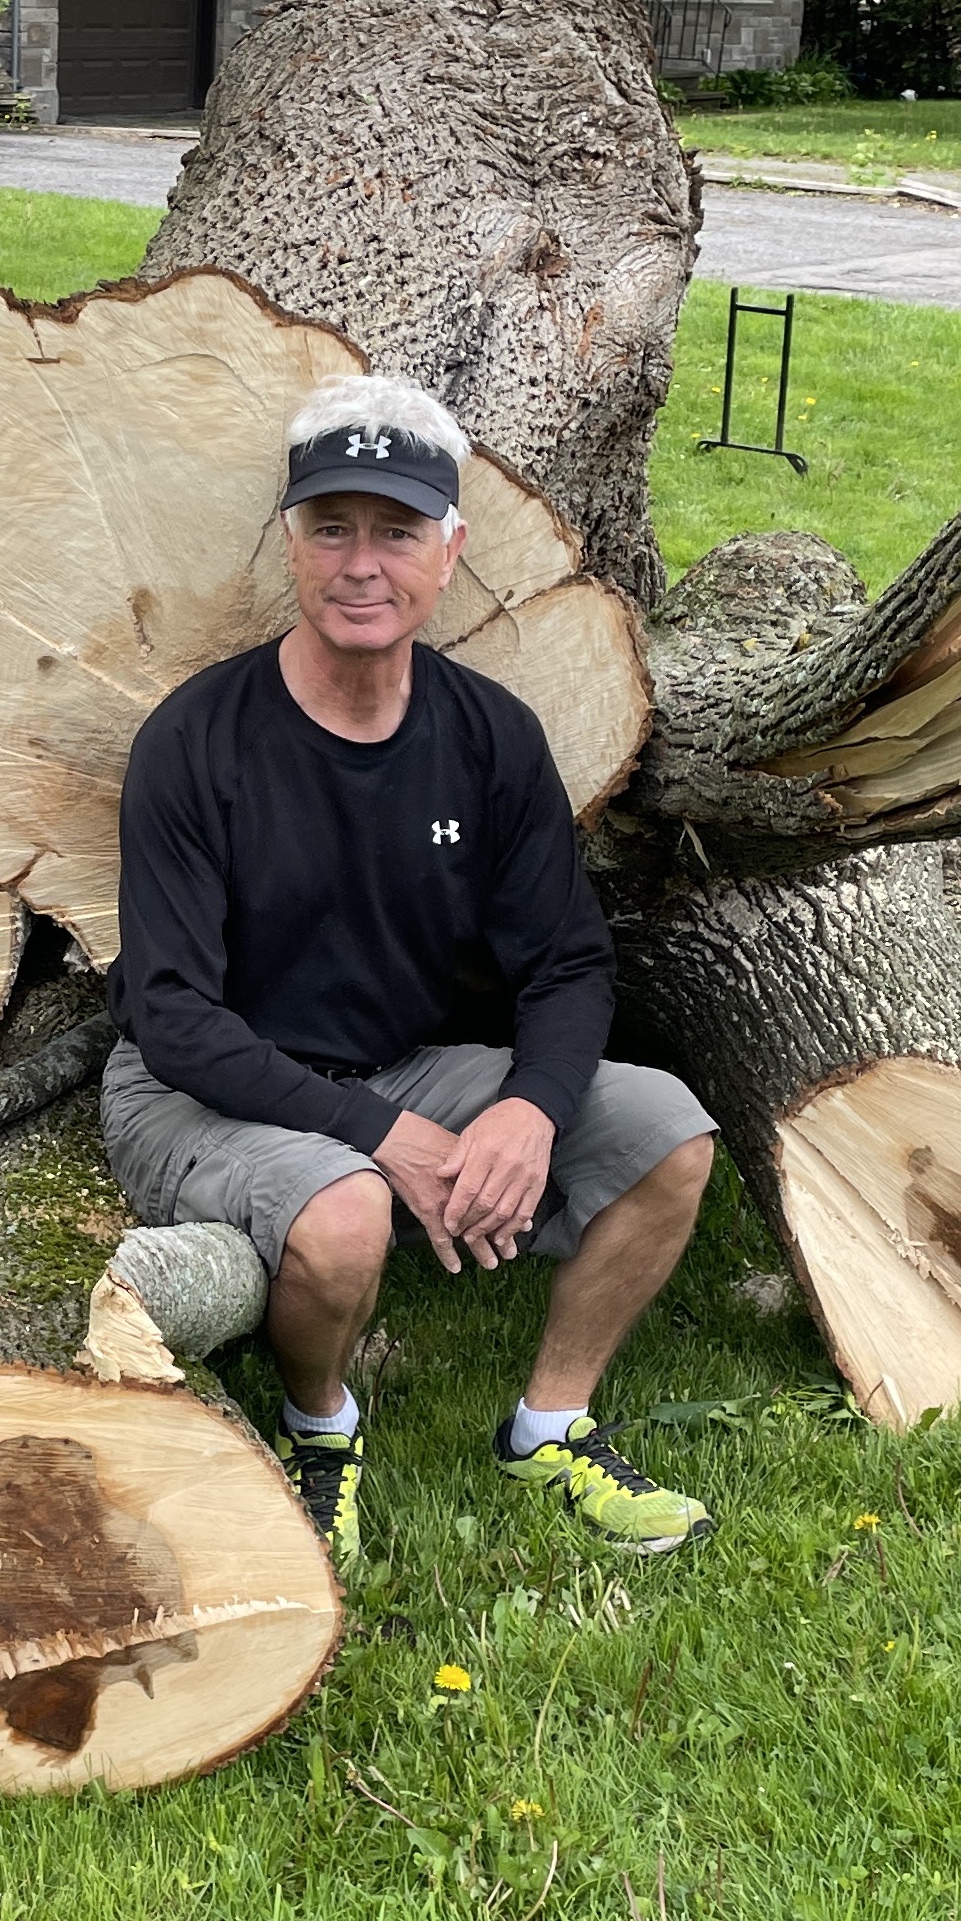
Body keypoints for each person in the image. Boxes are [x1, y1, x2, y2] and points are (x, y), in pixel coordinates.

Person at [101, 376, 717, 1572]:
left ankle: (551, 1424)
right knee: (345, 1216)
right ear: (291, 543)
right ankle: (318, 1429)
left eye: (396, 529)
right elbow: (172, 1016)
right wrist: (386, 1137)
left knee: (671, 1137)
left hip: (402, 1066)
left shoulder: (490, 738)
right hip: (200, 1090)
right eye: (332, 526)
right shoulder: (196, 739)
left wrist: (532, 1110)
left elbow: (568, 960)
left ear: (451, 549)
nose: (361, 564)